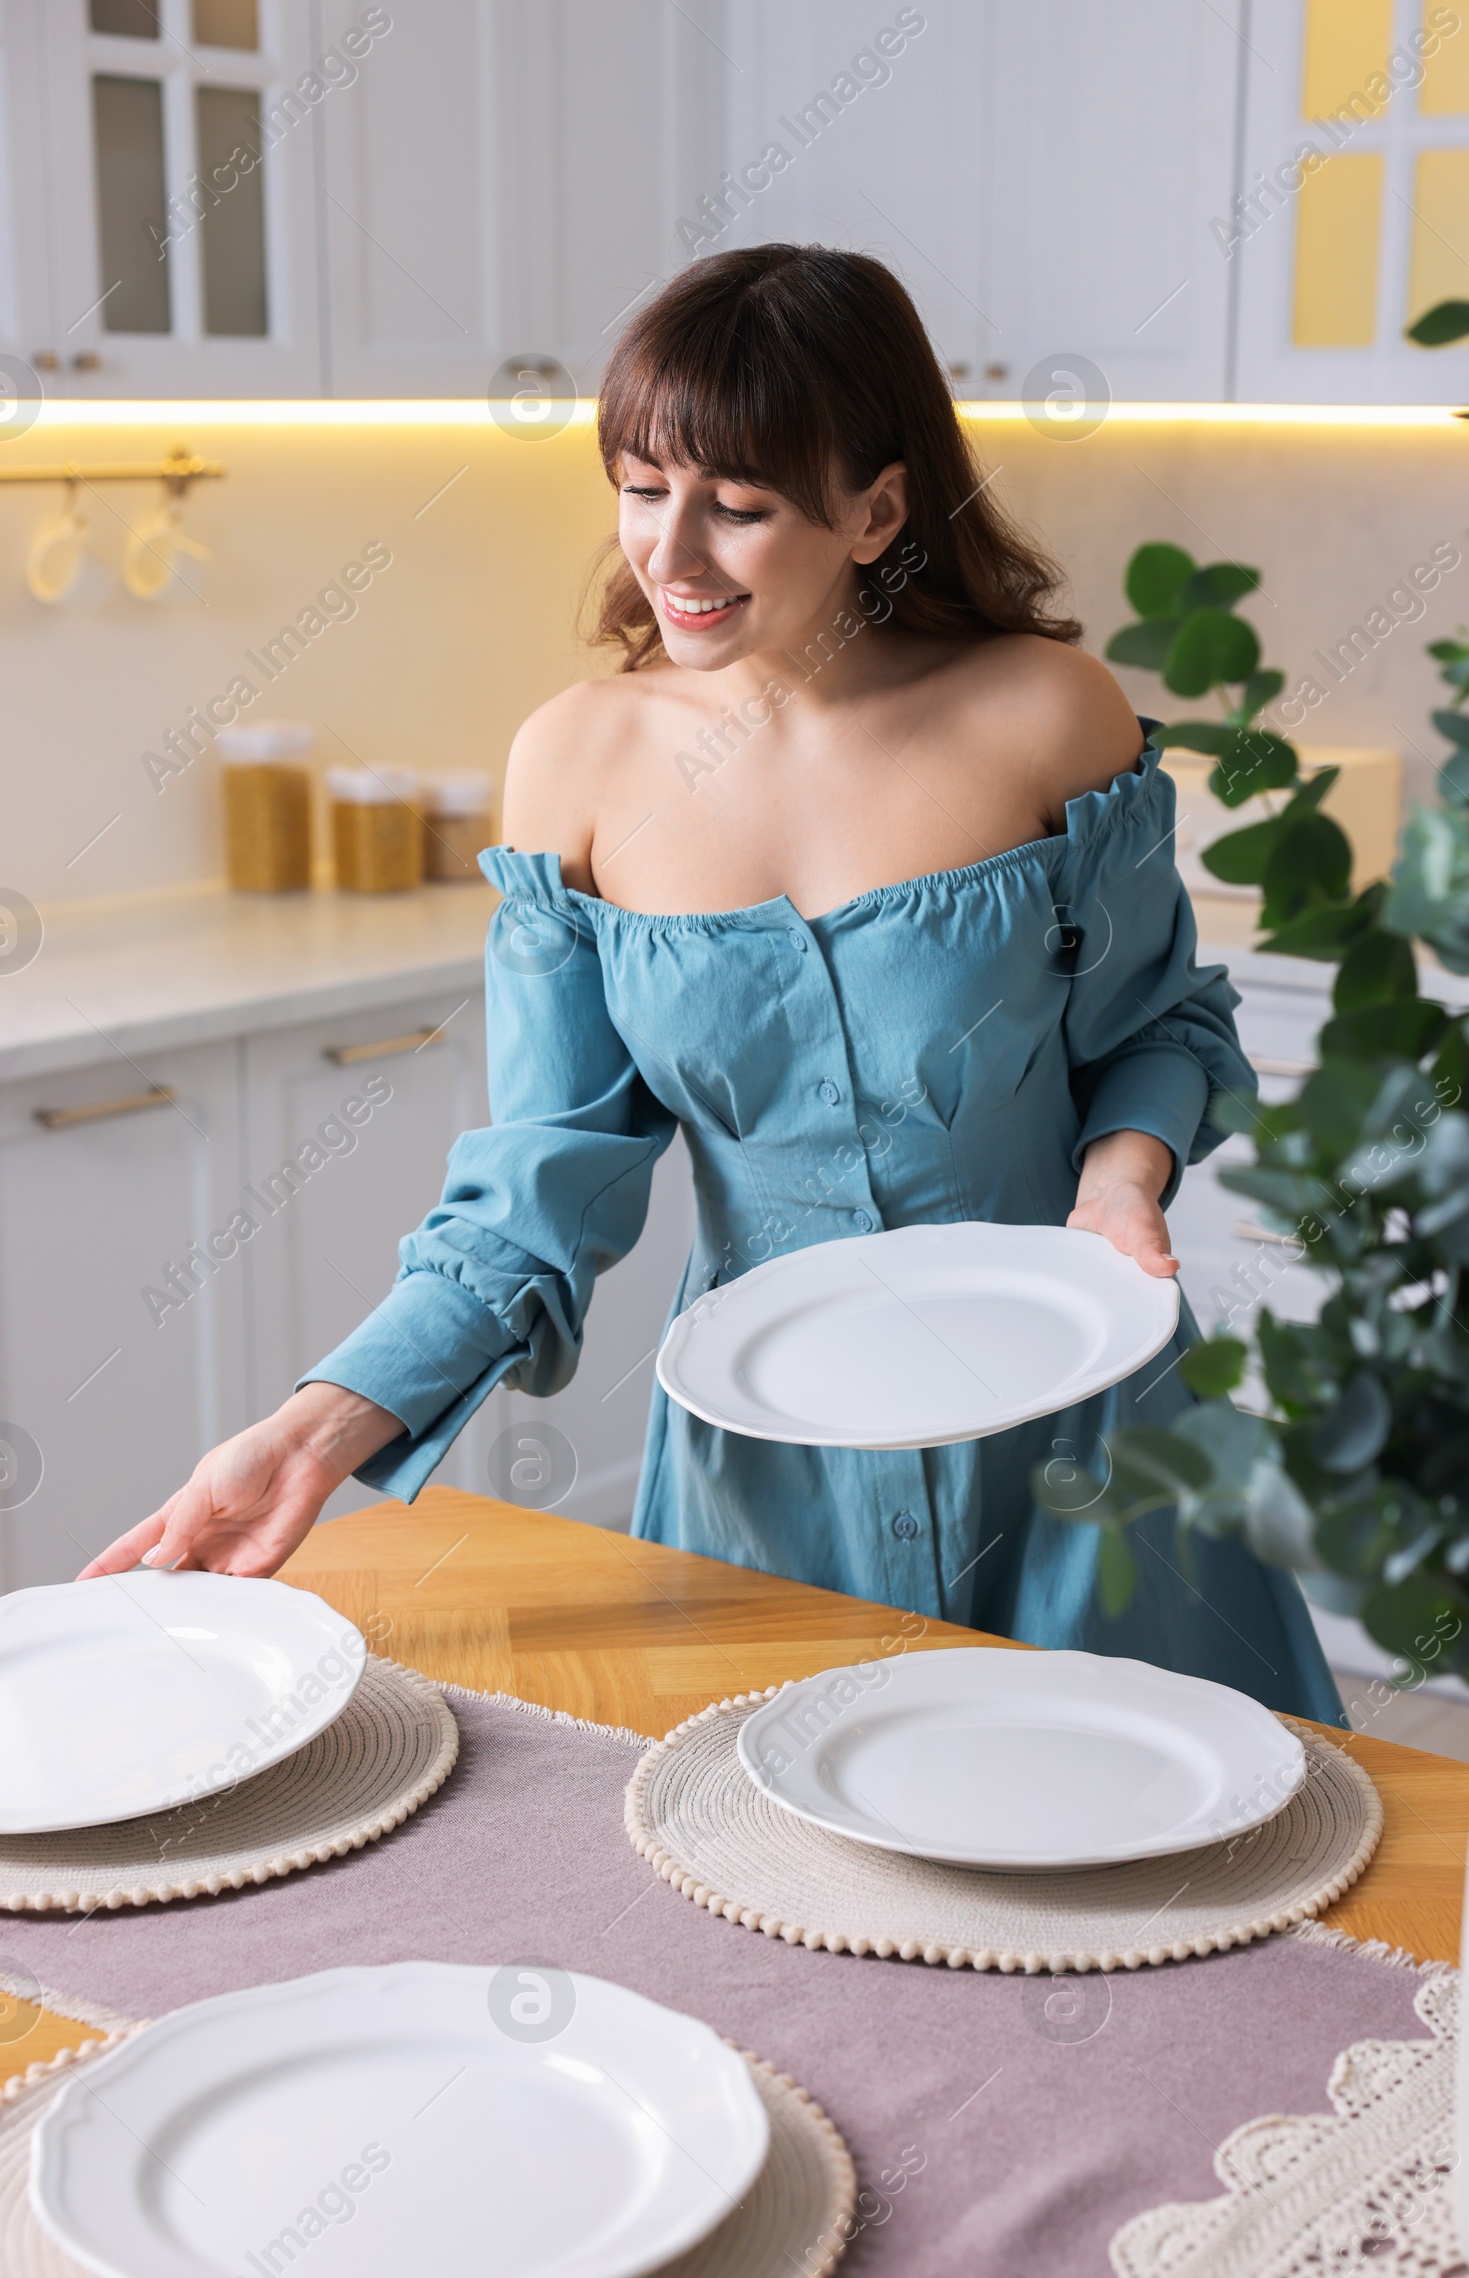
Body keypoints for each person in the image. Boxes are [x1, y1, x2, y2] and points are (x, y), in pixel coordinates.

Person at [85, 245, 1340, 1725]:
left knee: (1201, 1891)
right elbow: (541, 1182)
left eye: (737, 507)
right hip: (772, 1465)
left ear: (876, 510)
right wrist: (310, 1434)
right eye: (638, 488)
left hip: (1085, 1428)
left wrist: (1122, 1183)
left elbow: (1160, 1025)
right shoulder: (577, 762)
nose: (667, 556)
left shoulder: (1046, 714)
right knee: (787, 1895)